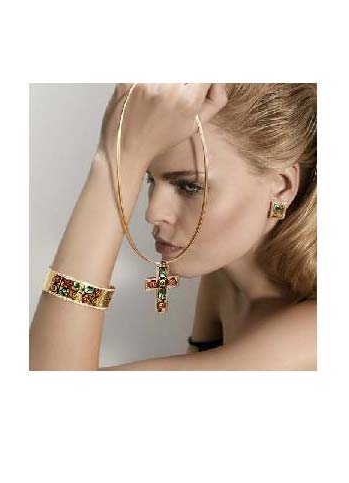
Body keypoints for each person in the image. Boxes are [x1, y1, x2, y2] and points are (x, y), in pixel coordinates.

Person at [29, 83, 317, 370]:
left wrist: (113, 162)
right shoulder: (225, 282)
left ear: (282, 187)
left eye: (190, 186)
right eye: (149, 179)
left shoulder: (311, 336)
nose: (153, 213)